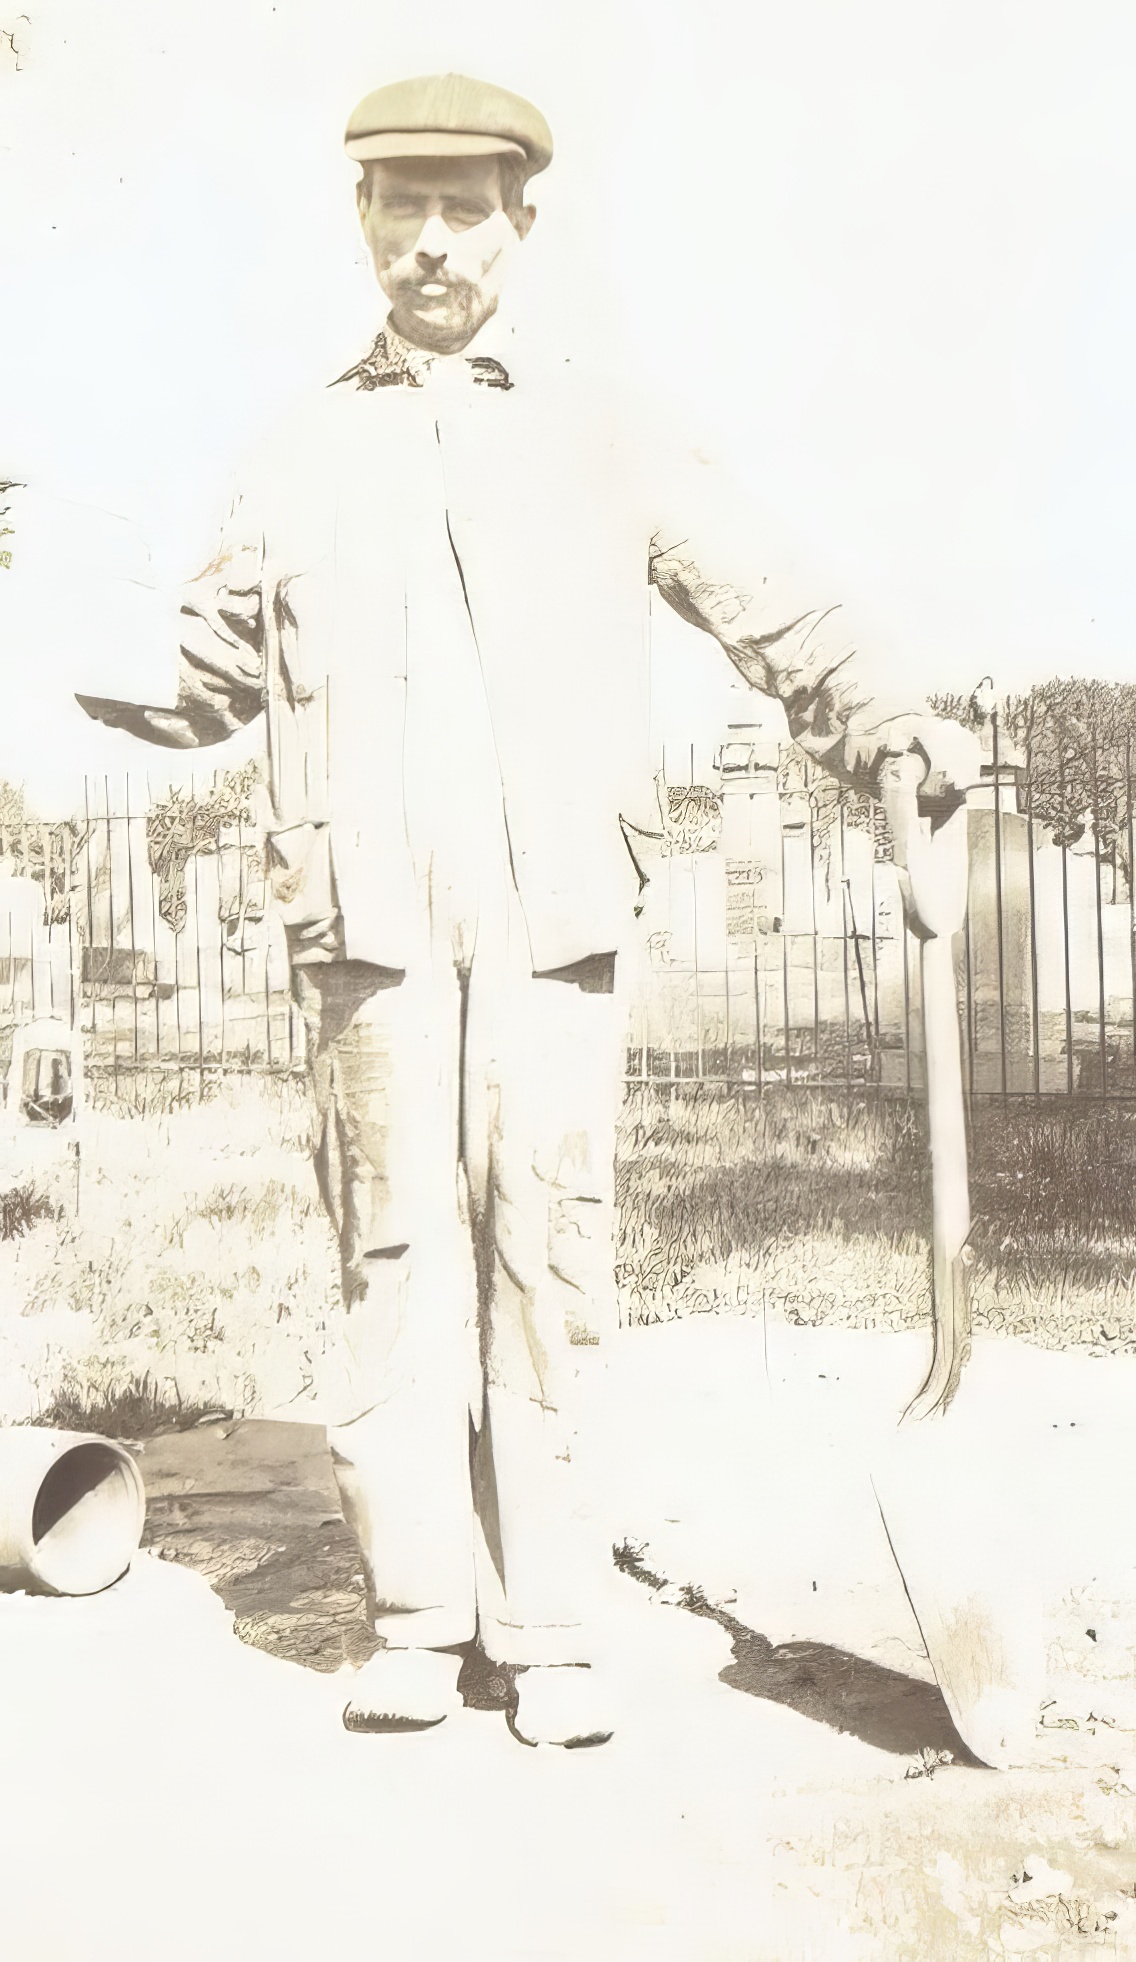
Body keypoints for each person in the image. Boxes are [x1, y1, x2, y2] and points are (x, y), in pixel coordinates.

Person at [79, 72, 978, 1747]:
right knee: (396, 1257)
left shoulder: (605, 430)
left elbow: (767, 596)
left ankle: (550, 1621)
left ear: (518, 224)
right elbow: (202, 679)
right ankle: (419, 1618)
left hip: (554, 916)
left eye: (463, 207)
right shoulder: (296, 452)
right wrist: (73, 629)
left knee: (546, 1249)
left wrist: (891, 713)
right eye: (397, 204)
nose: (428, 239)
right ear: (360, 220)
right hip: (363, 930)